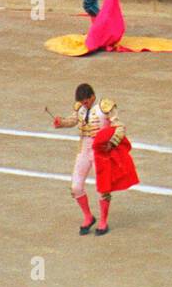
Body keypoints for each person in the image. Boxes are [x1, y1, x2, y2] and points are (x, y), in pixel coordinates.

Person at [51, 83, 137, 235]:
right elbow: (73, 120)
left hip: (101, 152)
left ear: (92, 97)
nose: (84, 104)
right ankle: (88, 217)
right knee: (75, 187)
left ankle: (103, 221)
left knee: (103, 187)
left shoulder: (104, 107)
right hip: (84, 149)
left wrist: (112, 142)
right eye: (82, 102)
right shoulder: (80, 108)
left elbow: (120, 127)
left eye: (86, 101)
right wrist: (61, 123)